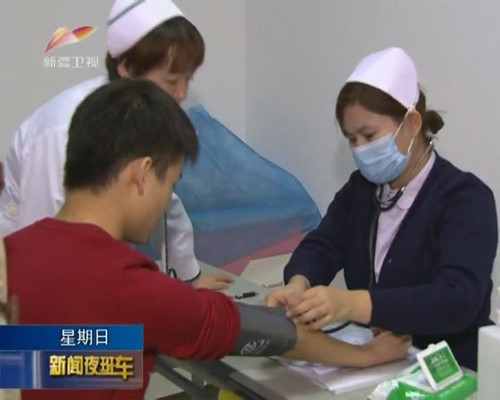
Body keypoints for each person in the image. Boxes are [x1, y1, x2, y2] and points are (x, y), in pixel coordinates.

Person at [5, 79, 410, 400]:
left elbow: (55, 367)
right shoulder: (127, 284)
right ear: (141, 175)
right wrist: (365, 355)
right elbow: (270, 334)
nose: (166, 202)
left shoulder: (14, 254)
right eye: (170, 184)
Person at [266, 47, 498, 371]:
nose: (360, 149)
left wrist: (354, 304)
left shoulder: (466, 199)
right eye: (351, 139)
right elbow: (324, 244)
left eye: (369, 135)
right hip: (380, 361)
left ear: (412, 123)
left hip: (452, 369)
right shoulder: (361, 190)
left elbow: (457, 299)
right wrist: (298, 285)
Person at [0, 0, 233, 290]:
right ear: (125, 67)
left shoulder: (141, 116)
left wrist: (188, 275)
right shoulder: (61, 128)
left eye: (188, 79)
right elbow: (41, 238)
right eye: (172, 81)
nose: (182, 93)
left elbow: (163, 197)